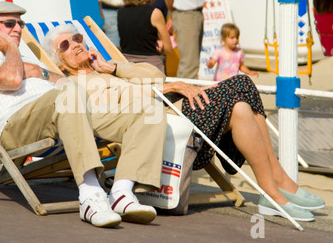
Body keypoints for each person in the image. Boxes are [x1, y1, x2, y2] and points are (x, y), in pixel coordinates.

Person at [42, 23, 325, 222]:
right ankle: (276, 188)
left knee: (240, 106)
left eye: (77, 38)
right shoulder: (76, 85)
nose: (76, 45)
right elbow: (115, 110)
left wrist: (115, 67)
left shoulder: (106, 69)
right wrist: (158, 89)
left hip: (174, 110)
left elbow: (153, 73)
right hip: (160, 121)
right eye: (65, 45)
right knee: (241, 83)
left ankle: (275, 188)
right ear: (61, 62)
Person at [0, 1, 165, 228]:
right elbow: (12, 80)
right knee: (70, 91)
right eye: (9, 23)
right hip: (16, 125)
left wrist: (39, 71)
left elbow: (65, 81)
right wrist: (11, 50)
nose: (18, 29)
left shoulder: (30, 61)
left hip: (61, 114)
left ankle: (121, 193)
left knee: (148, 110)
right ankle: (90, 196)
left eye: (20, 23)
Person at [118, 0, 172, 73]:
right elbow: (168, 48)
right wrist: (159, 47)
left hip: (128, 68)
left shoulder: (120, 12)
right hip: (151, 68)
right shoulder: (155, 13)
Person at [164, 0, 205, 79]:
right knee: (189, 65)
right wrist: (174, 12)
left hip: (193, 13)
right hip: (185, 14)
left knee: (192, 62)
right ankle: (185, 98)